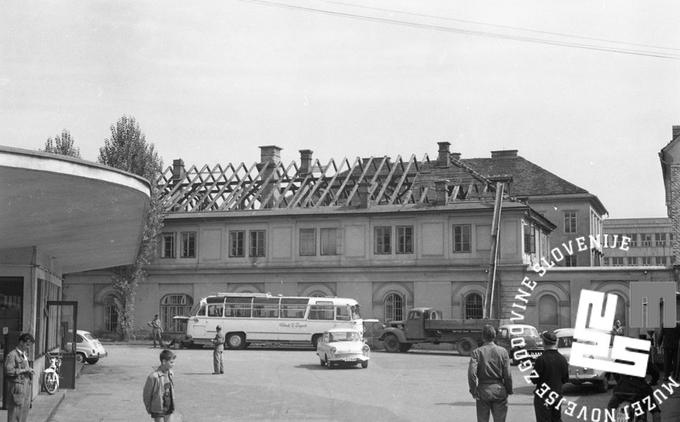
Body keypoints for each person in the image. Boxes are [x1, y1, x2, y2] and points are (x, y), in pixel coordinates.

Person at [468, 324, 513, 422]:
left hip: (483, 390)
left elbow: (472, 374)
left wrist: (474, 390)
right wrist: (508, 389)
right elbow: (508, 375)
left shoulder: (477, 352)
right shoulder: (503, 352)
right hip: (499, 390)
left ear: (483, 336)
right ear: (494, 336)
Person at [607, 358, 661, 422]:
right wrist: (653, 381)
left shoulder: (620, 355)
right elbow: (655, 372)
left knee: (610, 407)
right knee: (655, 410)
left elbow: (614, 370)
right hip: (640, 390)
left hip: (621, 391)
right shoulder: (642, 357)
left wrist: (621, 381)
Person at [531, 331, 569, 422]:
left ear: (543, 342)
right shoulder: (562, 359)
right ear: (555, 343)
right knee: (556, 419)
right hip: (556, 396)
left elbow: (534, 379)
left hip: (543, 397)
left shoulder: (541, 359)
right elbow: (565, 379)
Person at [4, 333, 35, 422]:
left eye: (30, 345)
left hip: (25, 387)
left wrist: (28, 370)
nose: (28, 347)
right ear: (21, 342)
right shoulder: (12, 355)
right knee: (15, 414)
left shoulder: (24, 354)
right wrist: (24, 370)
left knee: (23, 413)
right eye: (27, 344)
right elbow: (9, 371)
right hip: (17, 388)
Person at [143, 349, 176, 422]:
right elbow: (147, 395)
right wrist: (149, 408)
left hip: (169, 405)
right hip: (158, 407)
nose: (173, 364)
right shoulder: (153, 377)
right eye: (171, 362)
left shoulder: (171, 373)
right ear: (164, 362)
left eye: (173, 362)